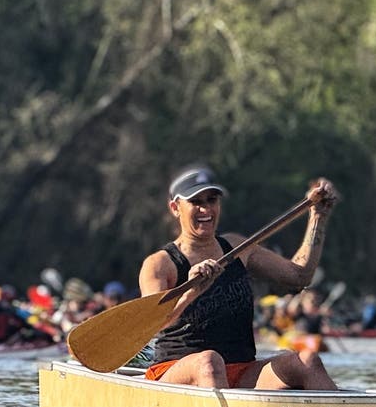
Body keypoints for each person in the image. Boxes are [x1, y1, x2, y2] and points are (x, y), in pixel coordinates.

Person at [140, 165, 340, 390]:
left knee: (307, 361)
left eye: (212, 200)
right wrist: (192, 291)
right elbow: (152, 326)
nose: (206, 209)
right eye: (196, 202)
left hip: (240, 369)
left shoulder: (236, 247)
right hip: (176, 371)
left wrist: (318, 217)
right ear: (176, 208)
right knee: (209, 361)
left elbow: (299, 276)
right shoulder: (159, 264)